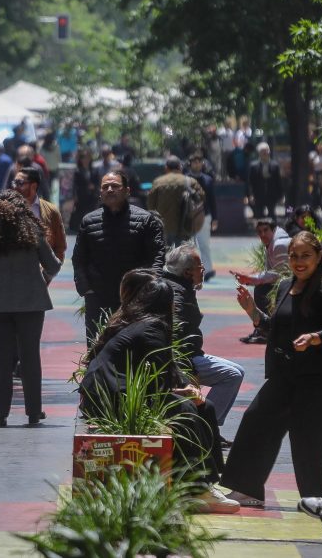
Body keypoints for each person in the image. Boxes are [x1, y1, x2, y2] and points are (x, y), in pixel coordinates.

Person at [79, 271, 238, 514]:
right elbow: (161, 381)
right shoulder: (153, 327)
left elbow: (167, 370)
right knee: (185, 411)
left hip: (110, 391)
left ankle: (205, 482)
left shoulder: (142, 323)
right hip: (109, 395)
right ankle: (196, 487)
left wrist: (188, 388)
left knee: (204, 406)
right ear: (168, 304)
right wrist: (186, 393)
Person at [222, 231, 322, 506]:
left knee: (309, 438)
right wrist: (252, 311)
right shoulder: (285, 286)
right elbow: (275, 329)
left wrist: (315, 338)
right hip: (284, 373)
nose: (299, 262)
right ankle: (246, 489)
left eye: (305, 256)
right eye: (293, 256)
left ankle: (314, 497)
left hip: (316, 377)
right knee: (256, 422)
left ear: (318, 257)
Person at [0, 191, 62, 426]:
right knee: (30, 356)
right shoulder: (33, 233)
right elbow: (53, 264)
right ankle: (33, 412)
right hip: (31, 301)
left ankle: (0, 414)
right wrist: (41, 276)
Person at [72, 170, 166, 346]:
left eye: (115, 186)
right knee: (97, 349)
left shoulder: (146, 220)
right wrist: (86, 288)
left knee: (133, 350)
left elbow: (157, 256)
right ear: (100, 192)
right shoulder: (88, 221)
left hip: (135, 299)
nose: (109, 190)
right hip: (98, 299)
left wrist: (150, 289)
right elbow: (79, 259)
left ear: (127, 191)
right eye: (105, 187)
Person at [161, 244, 245, 428]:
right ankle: (205, 427)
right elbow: (175, 338)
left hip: (192, 354)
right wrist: (189, 371)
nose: (203, 272)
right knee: (231, 375)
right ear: (188, 272)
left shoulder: (181, 287)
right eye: (201, 268)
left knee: (238, 371)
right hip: (186, 359)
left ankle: (211, 425)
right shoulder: (178, 294)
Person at [234, 219, 291, 344]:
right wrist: (253, 279)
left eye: (266, 230)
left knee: (261, 290)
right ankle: (262, 329)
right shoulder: (271, 243)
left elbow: (281, 274)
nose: (263, 234)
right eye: (259, 231)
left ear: (273, 230)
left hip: (290, 284)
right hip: (285, 282)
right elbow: (273, 272)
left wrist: (254, 279)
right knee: (261, 289)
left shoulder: (279, 244)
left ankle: (264, 330)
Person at [147, 156, 206, 246]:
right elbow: (201, 198)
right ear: (180, 167)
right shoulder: (190, 182)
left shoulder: (158, 182)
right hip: (184, 227)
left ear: (166, 168)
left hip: (164, 227)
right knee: (182, 257)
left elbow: (150, 205)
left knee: (164, 257)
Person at [12, 166, 67, 262]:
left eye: (20, 183)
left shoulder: (51, 211)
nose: (15, 187)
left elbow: (60, 246)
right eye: (14, 182)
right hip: (13, 272)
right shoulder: (6, 209)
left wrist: (48, 273)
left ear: (33, 186)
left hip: (41, 273)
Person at [185, 153, 218, 279]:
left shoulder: (208, 180)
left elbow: (212, 200)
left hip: (205, 215)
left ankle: (208, 270)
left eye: (199, 161)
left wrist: (215, 218)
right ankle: (188, 269)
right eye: (194, 161)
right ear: (190, 163)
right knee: (189, 245)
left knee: (204, 244)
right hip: (188, 217)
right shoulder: (185, 179)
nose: (197, 164)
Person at [247, 142, 283, 218]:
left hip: (271, 195)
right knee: (259, 216)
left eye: (267, 151)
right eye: (263, 151)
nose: (265, 153)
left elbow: (278, 181)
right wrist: (250, 195)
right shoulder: (253, 166)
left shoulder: (275, 165)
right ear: (259, 153)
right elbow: (250, 182)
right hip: (258, 195)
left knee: (272, 216)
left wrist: (281, 196)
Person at [69, 147, 99, 232]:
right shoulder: (78, 171)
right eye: (83, 158)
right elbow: (74, 185)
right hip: (81, 196)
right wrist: (74, 196)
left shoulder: (94, 171)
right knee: (80, 213)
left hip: (92, 196)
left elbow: (98, 183)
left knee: (92, 213)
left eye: (87, 157)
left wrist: (94, 187)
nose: (85, 160)